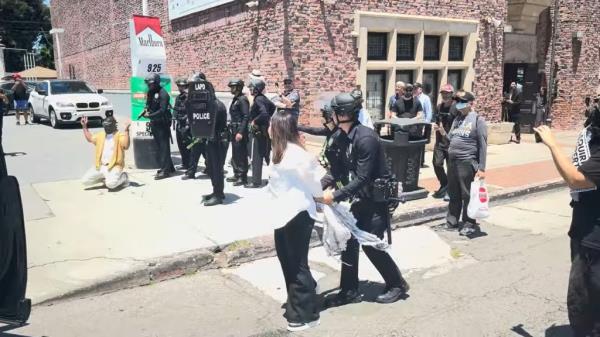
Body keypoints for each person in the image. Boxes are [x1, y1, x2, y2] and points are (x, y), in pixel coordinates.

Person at [321, 92, 409, 306]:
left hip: (377, 201)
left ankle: (397, 284)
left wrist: (334, 195)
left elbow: (363, 177)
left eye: (332, 112)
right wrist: (316, 187)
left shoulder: (366, 138)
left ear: (342, 114)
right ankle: (349, 291)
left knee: (370, 243)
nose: (328, 116)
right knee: (348, 242)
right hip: (359, 199)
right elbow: (337, 171)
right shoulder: (341, 137)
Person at [534, 105, 600, 337]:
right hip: (583, 226)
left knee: (585, 299)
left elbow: (575, 178)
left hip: (594, 239)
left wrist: (552, 143)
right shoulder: (593, 136)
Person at [268, 110, 324, 332]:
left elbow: (315, 182)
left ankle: (305, 315)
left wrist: (320, 201)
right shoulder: (278, 151)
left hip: (297, 215)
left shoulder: (297, 155)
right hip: (282, 215)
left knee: (297, 263)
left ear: (279, 128)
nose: (268, 128)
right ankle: (301, 297)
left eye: (271, 124)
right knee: (286, 260)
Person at [434, 90, 487, 237]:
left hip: (467, 161)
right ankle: (452, 221)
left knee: (467, 194)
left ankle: (469, 223)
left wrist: (481, 168)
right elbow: (450, 138)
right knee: (453, 193)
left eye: (461, 101)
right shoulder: (457, 119)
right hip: (453, 161)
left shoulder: (478, 120)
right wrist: (442, 131)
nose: (458, 104)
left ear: (470, 103)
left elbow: (483, 145)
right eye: (457, 101)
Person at [298, 105, 350, 189]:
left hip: (337, 173)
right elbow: (313, 130)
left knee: (340, 192)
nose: (324, 121)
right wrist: (298, 127)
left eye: (326, 118)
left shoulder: (340, 134)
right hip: (331, 171)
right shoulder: (331, 131)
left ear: (333, 119)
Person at [80, 115, 130, 190]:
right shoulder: (101, 135)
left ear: (114, 125)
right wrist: (84, 126)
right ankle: (106, 179)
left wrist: (126, 131)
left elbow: (126, 146)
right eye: (105, 126)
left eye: (108, 126)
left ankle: (124, 177)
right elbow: (90, 138)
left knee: (111, 185)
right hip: (101, 166)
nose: (106, 128)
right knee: (84, 181)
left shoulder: (119, 135)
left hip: (114, 166)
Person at [142, 74, 174, 180]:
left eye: (150, 84)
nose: (149, 86)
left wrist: (149, 116)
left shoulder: (163, 94)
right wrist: (145, 110)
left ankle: (165, 171)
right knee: (160, 147)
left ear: (156, 83)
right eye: (148, 84)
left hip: (162, 124)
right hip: (155, 123)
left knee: (164, 147)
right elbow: (148, 103)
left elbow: (162, 110)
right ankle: (169, 167)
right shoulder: (151, 92)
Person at [246, 77, 276, 189]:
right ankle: (274, 179)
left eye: (251, 88)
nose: (250, 89)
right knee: (268, 157)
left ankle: (256, 181)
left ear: (256, 89)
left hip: (258, 133)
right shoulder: (264, 98)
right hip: (265, 132)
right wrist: (266, 122)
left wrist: (255, 121)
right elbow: (272, 108)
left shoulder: (258, 99)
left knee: (256, 157)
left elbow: (264, 114)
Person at [432, 84, 458, 200]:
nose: (445, 95)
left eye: (447, 93)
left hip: (452, 142)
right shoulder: (439, 107)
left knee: (451, 167)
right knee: (437, 163)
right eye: (443, 93)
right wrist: (435, 125)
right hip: (440, 141)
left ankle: (451, 190)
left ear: (452, 94)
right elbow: (436, 120)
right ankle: (445, 184)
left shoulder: (456, 108)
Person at [202, 98, 229, 206]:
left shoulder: (216, 105)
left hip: (218, 141)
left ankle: (218, 195)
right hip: (212, 139)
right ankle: (217, 192)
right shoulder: (211, 104)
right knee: (211, 167)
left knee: (217, 168)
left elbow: (211, 123)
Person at [226, 79, 250, 186]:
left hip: (239, 130)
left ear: (239, 87)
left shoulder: (242, 99)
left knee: (241, 154)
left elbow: (246, 116)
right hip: (234, 129)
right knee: (235, 154)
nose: (231, 88)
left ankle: (242, 177)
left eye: (233, 87)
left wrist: (240, 132)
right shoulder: (236, 99)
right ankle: (236, 174)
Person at [173, 77, 191, 174]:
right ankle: (185, 163)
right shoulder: (178, 97)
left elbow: (191, 111)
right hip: (179, 124)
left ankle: (190, 164)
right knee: (181, 145)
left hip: (186, 125)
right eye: (179, 86)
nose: (181, 88)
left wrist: (187, 121)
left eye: (182, 86)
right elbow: (175, 109)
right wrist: (174, 117)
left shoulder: (189, 97)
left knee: (188, 145)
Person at [414, 82, 433, 168]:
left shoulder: (425, 98)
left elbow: (428, 112)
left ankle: (421, 162)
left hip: (422, 124)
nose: (414, 90)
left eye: (416, 88)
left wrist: (426, 125)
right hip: (414, 125)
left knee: (421, 143)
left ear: (420, 89)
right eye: (414, 88)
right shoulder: (413, 98)